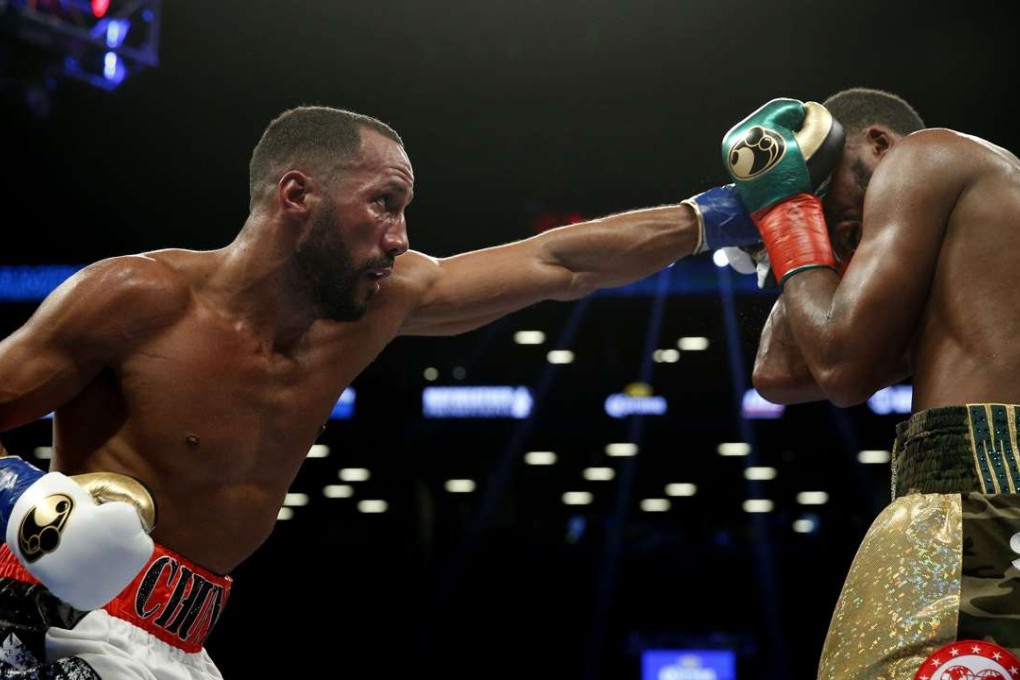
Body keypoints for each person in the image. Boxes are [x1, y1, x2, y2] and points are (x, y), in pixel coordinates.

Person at [0, 106, 762, 678]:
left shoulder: (376, 307)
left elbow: (560, 263)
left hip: (178, 643)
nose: (399, 237)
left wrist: (714, 217)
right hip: (55, 619)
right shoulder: (139, 298)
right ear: (296, 195)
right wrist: (23, 505)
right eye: (383, 203)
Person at [725, 87, 1020, 678]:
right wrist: (799, 232)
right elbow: (778, 374)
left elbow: (840, 368)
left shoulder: (926, 155)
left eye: (826, 191)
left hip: (983, 493)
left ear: (878, 143)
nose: (843, 227)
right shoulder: (966, 260)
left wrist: (787, 212)